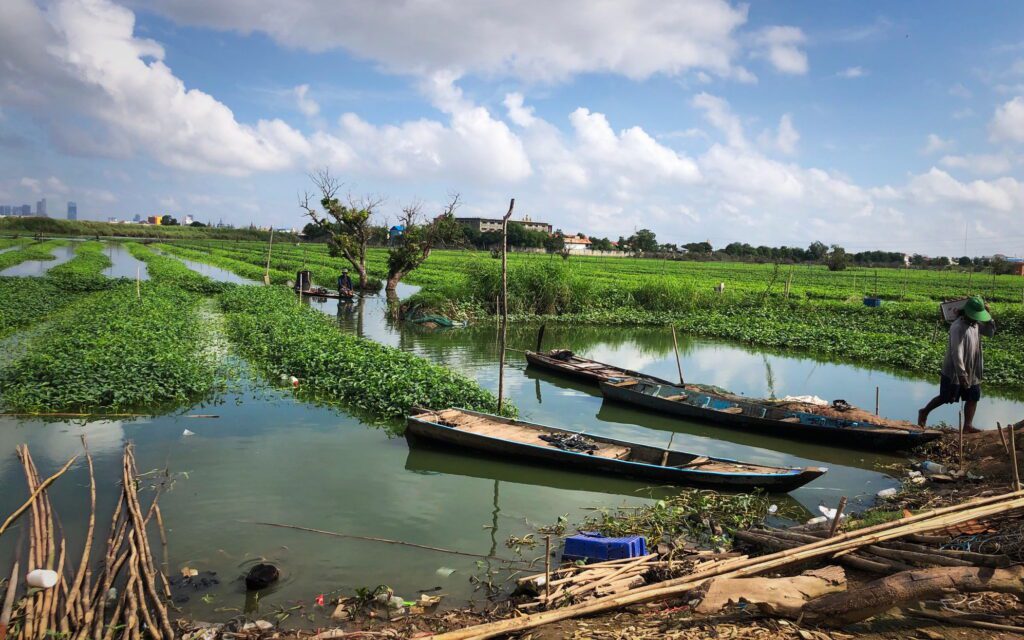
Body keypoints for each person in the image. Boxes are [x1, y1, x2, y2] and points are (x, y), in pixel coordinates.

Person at [918, 296, 995, 432]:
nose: (976, 318)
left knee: (973, 396)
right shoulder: (957, 326)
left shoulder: (976, 324)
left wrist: (989, 318)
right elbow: (956, 352)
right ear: (966, 312)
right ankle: (924, 411)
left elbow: (990, 333)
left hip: (972, 369)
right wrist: (961, 374)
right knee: (946, 397)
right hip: (954, 371)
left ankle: (968, 425)